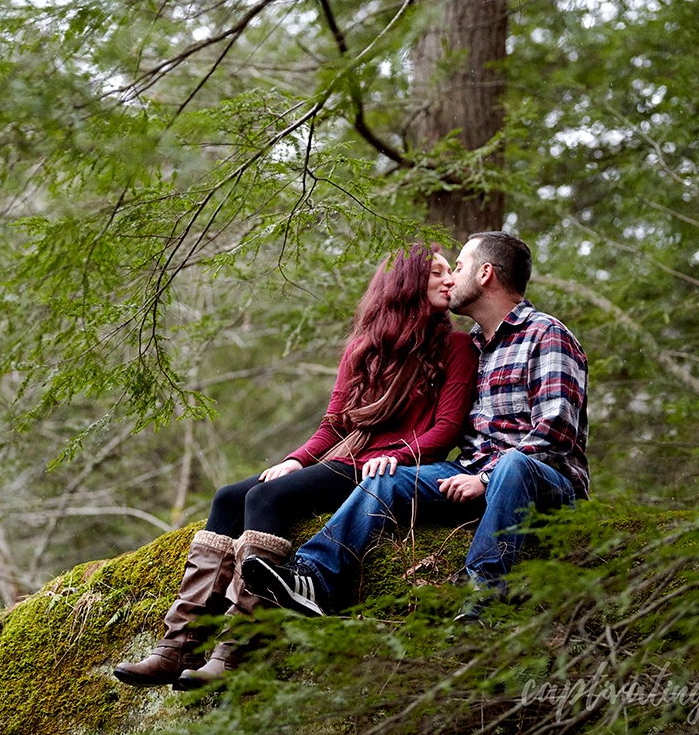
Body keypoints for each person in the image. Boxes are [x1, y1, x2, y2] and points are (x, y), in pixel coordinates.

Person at [113, 243, 478, 689]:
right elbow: (333, 425)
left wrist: (399, 456)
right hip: (348, 457)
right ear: (406, 283)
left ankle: (235, 652)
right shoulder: (364, 348)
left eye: (450, 272)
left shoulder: (457, 347)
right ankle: (176, 647)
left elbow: (446, 430)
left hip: (381, 468)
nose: (448, 280)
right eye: (436, 272)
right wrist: (294, 460)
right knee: (229, 496)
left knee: (265, 498)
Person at [242, 231, 589, 622]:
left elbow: (555, 431)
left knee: (512, 465)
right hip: (471, 471)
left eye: (459, 267)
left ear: (486, 273)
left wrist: (488, 478)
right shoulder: (473, 345)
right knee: (385, 479)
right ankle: (314, 578)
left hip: (544, 481)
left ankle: (483, 595)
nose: (453, 278)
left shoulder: (547, 334)